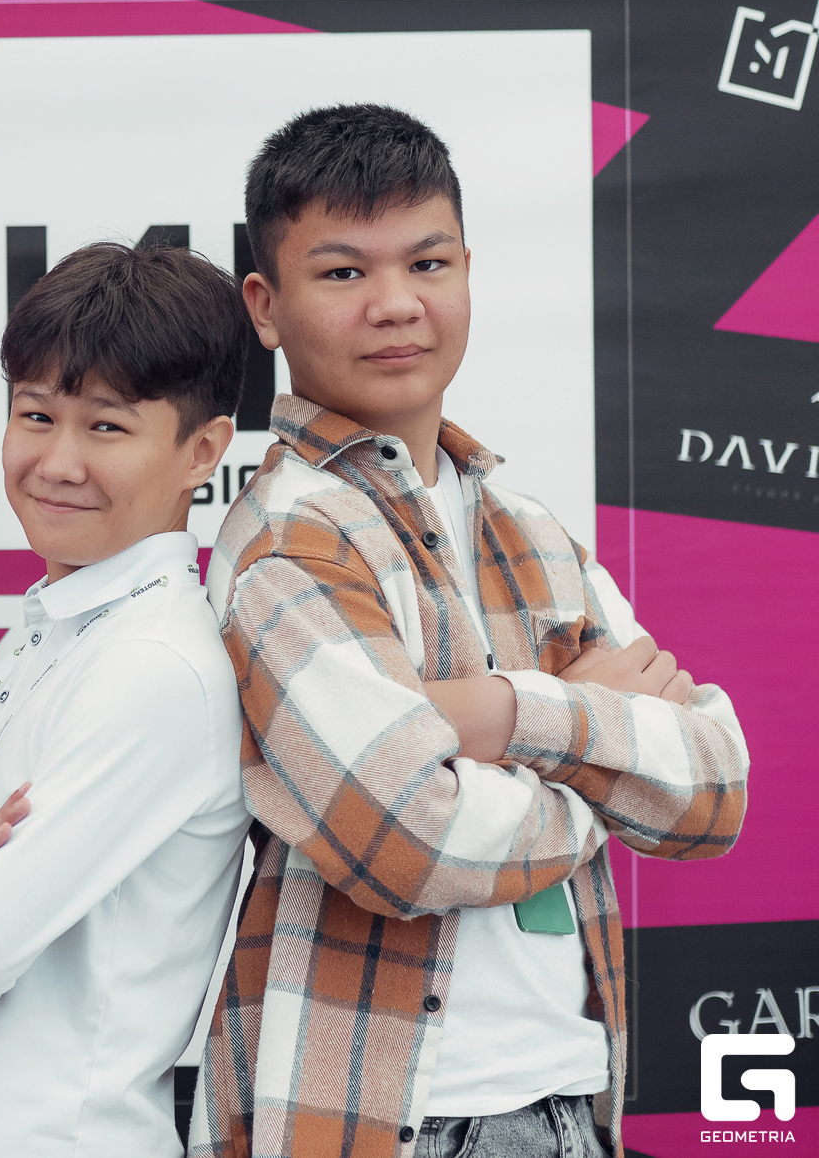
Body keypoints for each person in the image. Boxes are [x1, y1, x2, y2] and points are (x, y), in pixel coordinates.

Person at [190, 104, 749, 1158]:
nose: (397, 304)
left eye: (428, 262)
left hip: (575, 1103)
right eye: (344, 272)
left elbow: (715, 789)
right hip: (390, 1122)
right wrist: (599, 745)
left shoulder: (530, 530)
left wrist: (495, 714)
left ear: (467, 272)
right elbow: (408, 839)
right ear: (265, 306)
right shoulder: (288, 543)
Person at [0, 242, 254, 1157]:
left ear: (202, 451)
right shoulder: (48, 631)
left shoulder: (156, 665)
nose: (58, 462)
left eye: (107, 428)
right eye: (35, 415)